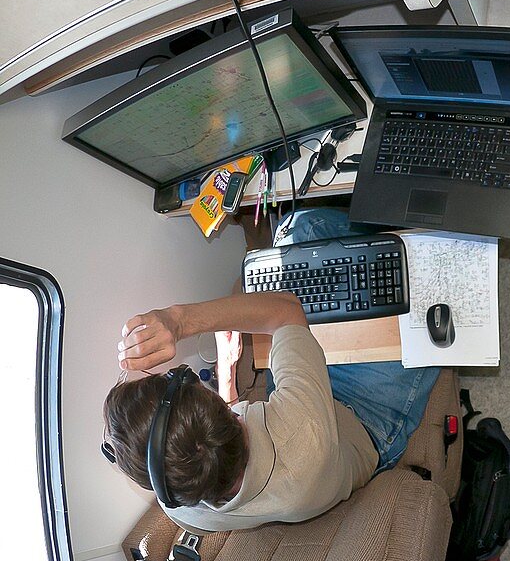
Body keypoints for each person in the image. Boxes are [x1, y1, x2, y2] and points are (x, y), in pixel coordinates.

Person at [102, 209, 438, 532]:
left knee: (299, 236)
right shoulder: (300, 435)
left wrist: (227, 370)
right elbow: (286, 313)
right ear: (232, 416)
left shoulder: (181, 505)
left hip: (296, 410)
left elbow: (211, 452)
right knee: (428, 284)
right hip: (367, 414)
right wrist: (179, 321)